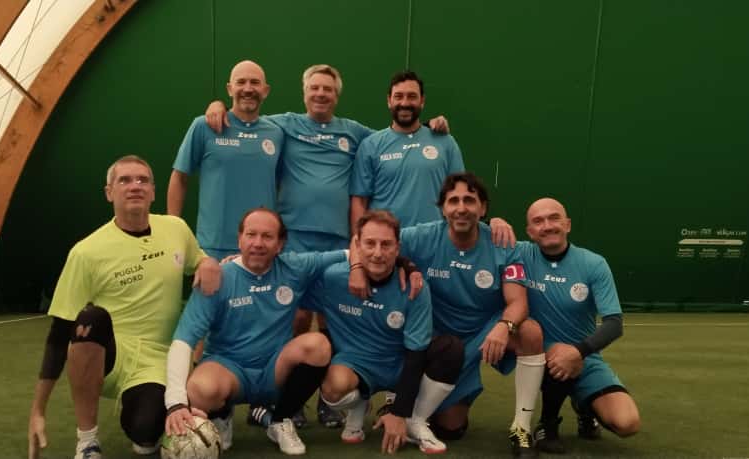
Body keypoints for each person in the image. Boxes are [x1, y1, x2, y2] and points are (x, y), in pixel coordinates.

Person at [202, 64, 451, 428]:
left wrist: (430, 126)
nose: (320, 94)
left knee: (334, 320)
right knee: (294, 317)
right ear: (304, 93)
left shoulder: (355, 132)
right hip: (295, 238)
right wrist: (217, 106)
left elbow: (396, 136)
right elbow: (246, 114)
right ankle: (280, 398)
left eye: (328, 89)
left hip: (337, 241)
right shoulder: (283, 124)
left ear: (337, 95)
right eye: (314, 88)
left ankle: (326, 399)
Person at [27, 155, 221, 459]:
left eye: (143, 180)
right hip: (112, 357)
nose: (135, 186)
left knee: (146, 433)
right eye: (125, 180)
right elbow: (59, 333)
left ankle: (142, 417)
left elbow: (199, 260)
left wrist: (208, 263)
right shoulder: (86, 252)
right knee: (90, 318)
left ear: (153, 192)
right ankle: (87, 441)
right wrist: (38, 410)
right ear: (109, 192)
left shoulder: (176, 229)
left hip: (159, 361)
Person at [351, 172, 546, 456]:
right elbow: (364, 241)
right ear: (442, 208)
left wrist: (504, 325)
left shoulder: (503, 242)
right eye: (453, 201)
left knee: (529, 331)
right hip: (437, 341)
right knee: (450, 426)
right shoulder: (424, 236)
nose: (461, 208)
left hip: (483, 335)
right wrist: (358, 268)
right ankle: (401, 400)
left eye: (470, 200)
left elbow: (518, 303)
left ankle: (521, 427)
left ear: (483, 207)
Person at [163, 207, 350, 455]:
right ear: (239, 239)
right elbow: (183, 340)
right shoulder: (217, 277)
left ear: (280, 244)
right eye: (251, 235)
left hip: (275, 369)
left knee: (318, 345)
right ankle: (221, 416)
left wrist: (378, 266)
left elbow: (349, 254)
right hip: (229, 369)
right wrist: (175, 403)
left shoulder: (294, 266)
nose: (258, 243)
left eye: (267, 236)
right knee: (200, 388)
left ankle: (280, 420)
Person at [310, 210, 464, 454]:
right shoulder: (333, 278)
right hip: (354, 363)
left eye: (386, 244)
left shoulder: (414, 286)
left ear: (397, 248)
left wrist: (399, 413)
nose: (378, 252)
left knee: (451, 349)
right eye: (370, 243)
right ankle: (359, 404)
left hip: (400, 364)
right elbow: (290, 276)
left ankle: (415, 420)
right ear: (357, 245)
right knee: (333, 388)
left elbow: (415, 354)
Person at [516, 198, 640, 454]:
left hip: (583, 356)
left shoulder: (593, 264)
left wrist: (579, 352)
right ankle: (547, 424)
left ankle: (584, 406)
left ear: (568, 224)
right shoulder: (520, 254)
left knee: (627, 423)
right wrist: (495, 222)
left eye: (554, 218)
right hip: (535, 353)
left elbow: (614, 324)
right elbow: (482, 238)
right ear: (529, 231)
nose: (547, 226)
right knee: (557, 351)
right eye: (538, 221)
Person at [167, 60, 284, 260]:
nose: (248, 89)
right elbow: (179, 177)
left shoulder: (277, 133)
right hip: (213, 248)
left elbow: (282, 184)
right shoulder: (204, 126)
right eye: (241, 82)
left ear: (265, 91)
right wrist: (172, 229)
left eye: (255, 83)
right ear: (230, 89)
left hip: (261, 248)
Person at [349, 70, 466, 230]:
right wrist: (358, 238)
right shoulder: (370, 145)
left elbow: (460, 194)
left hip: (433, 240)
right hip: (385, 241)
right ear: (389, 101)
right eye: (398, 96)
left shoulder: (445, 142)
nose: (404, 103)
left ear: (422, 101)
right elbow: (359, 201)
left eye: (412, 96)